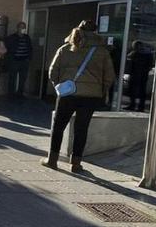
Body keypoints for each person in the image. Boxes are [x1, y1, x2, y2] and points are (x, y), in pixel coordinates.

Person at [44, 20, 115, 173]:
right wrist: (100, 91)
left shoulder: (65, 49)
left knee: (58, 127)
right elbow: (109, 77)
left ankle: (52, 160)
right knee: (81, 129)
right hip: (90, 96)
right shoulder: (102, 52)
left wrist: (61, 86)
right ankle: (75, 164)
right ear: (96, 33)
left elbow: (52, 72)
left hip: (67, 94)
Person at [4, 21, 32, 99]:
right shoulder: (12, 37)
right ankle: (11, 94)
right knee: (12, 78)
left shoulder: (27, 37)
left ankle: (20, 93)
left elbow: (30, 48)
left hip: (24, 61)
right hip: (15, 61)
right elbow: (8, 48)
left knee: (23, 78)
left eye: (24, 27)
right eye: (21, 27)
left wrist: (29, 58)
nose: (23, 29)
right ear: (18, 28)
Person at [125, 40, 152, 112]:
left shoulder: (135, 54)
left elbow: (129, 63)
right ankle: (140, 106)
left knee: (132, 90)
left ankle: (132, 105)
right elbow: (150, 65)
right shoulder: (148, 54)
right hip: (143, 75)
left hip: (135, 74)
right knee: (141, 91)